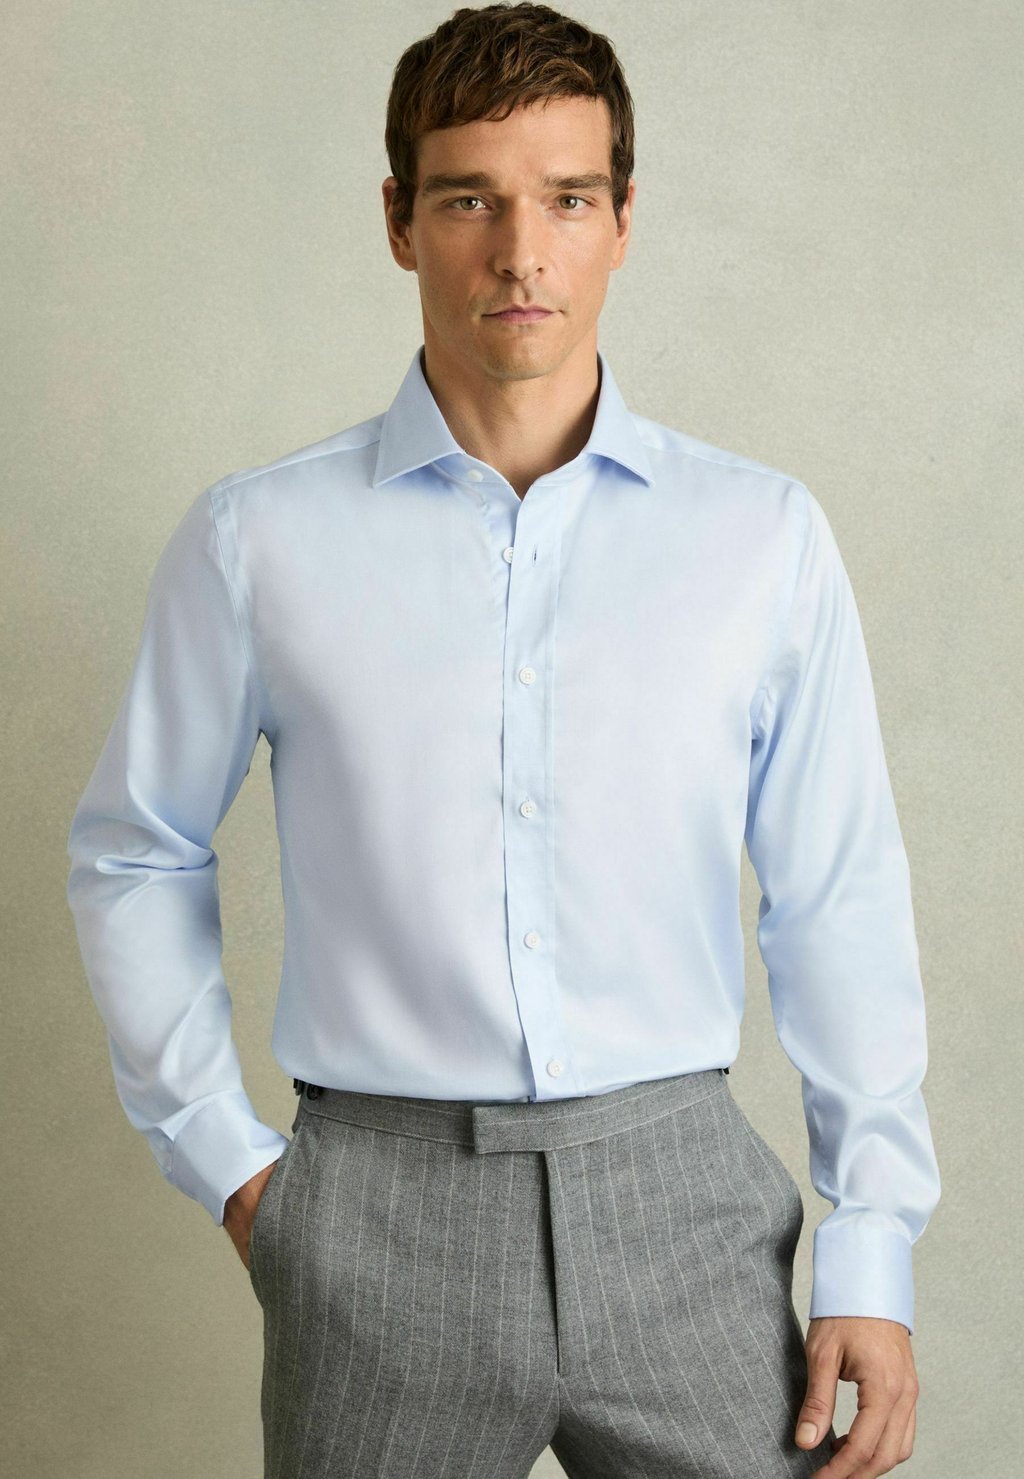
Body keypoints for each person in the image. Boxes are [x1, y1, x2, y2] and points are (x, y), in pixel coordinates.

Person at [65, 4, 940, 1476]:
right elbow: (134, 849)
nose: (522, 254)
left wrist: (872, 1246)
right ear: (399, 221)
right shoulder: (259, 541)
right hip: (374, 1214)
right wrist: (237, 1170)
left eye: (568, 199)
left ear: (624, 220)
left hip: (685, 1209)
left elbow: (836, 895)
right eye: (470, 199)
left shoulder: (760, 539)